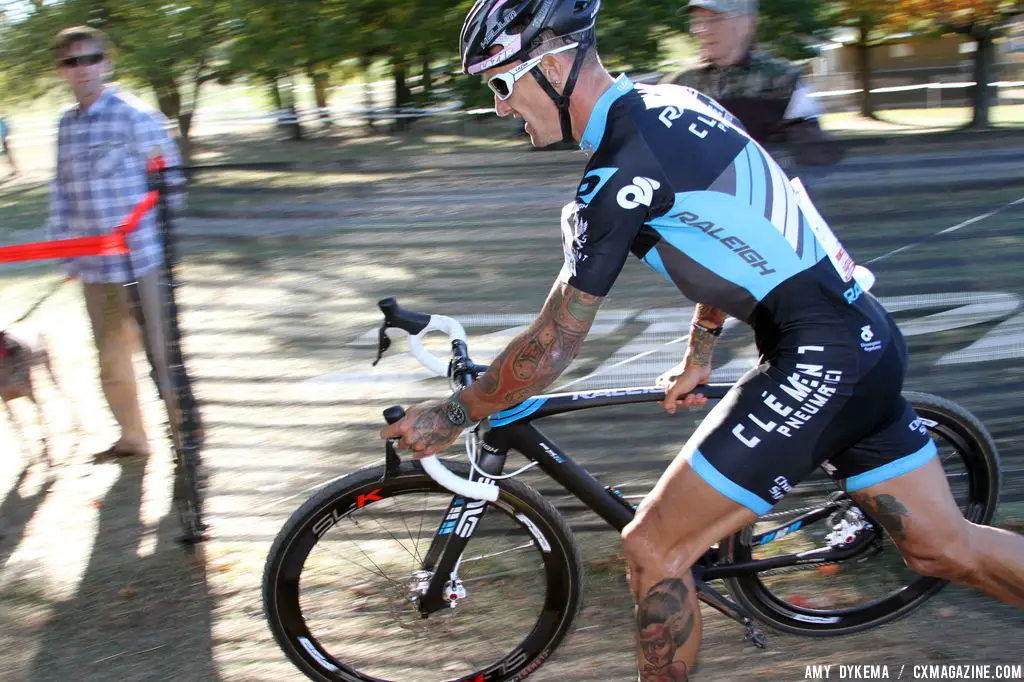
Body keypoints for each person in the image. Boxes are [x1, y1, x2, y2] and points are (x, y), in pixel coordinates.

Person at [381, 0, 1024, 679]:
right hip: (861, 337)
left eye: (502, 84)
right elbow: (743, 234)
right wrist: (700, 349)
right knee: (942, 550)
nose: (502, 108)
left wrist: (452, 414)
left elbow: (553, 346)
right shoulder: (675, 104)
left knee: (655, 550)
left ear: (557, 64)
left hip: (819, 357)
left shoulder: (619, 175)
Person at [46, 25, 186, 458]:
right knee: (110, 361)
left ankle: (186, 444)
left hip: (141, 262)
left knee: (162, 357)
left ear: (105, 64)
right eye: (72, 62)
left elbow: (170, 180)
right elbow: (61, 191)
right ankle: (133, 438)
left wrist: (158, 239)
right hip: (93, 268)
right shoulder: (65, 126)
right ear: (62, 71)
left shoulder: (134, 114)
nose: (82, 69)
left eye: (90, 59)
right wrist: (64, 252)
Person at [662, 0, 843, 168]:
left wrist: (788, 139)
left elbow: (819, 157)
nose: (702, 30)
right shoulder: (678, 85)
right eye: (697, 20)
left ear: (747, 23)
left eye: (715, 19)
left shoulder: (784, 81)